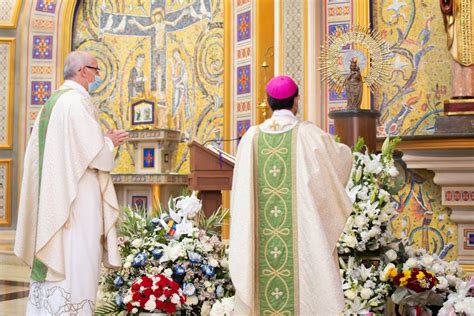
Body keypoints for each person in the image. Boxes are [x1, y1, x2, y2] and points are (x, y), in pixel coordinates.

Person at [14, 51, 129, 315]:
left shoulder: (50, 104)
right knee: (77, 256)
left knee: (60, 254)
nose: (96, 77)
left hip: (54, 199)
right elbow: (96, 155)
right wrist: (110, 141)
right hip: (76, 200)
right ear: (83, 72)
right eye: (96, 71)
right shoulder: (76, 103)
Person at [229, 75, 353, 315]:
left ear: (267, 103)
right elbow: (341, 160)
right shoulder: (310, 136)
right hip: (303, 241)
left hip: (259, 248)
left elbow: (241, 197)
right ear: (296, 101)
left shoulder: (251, 138)